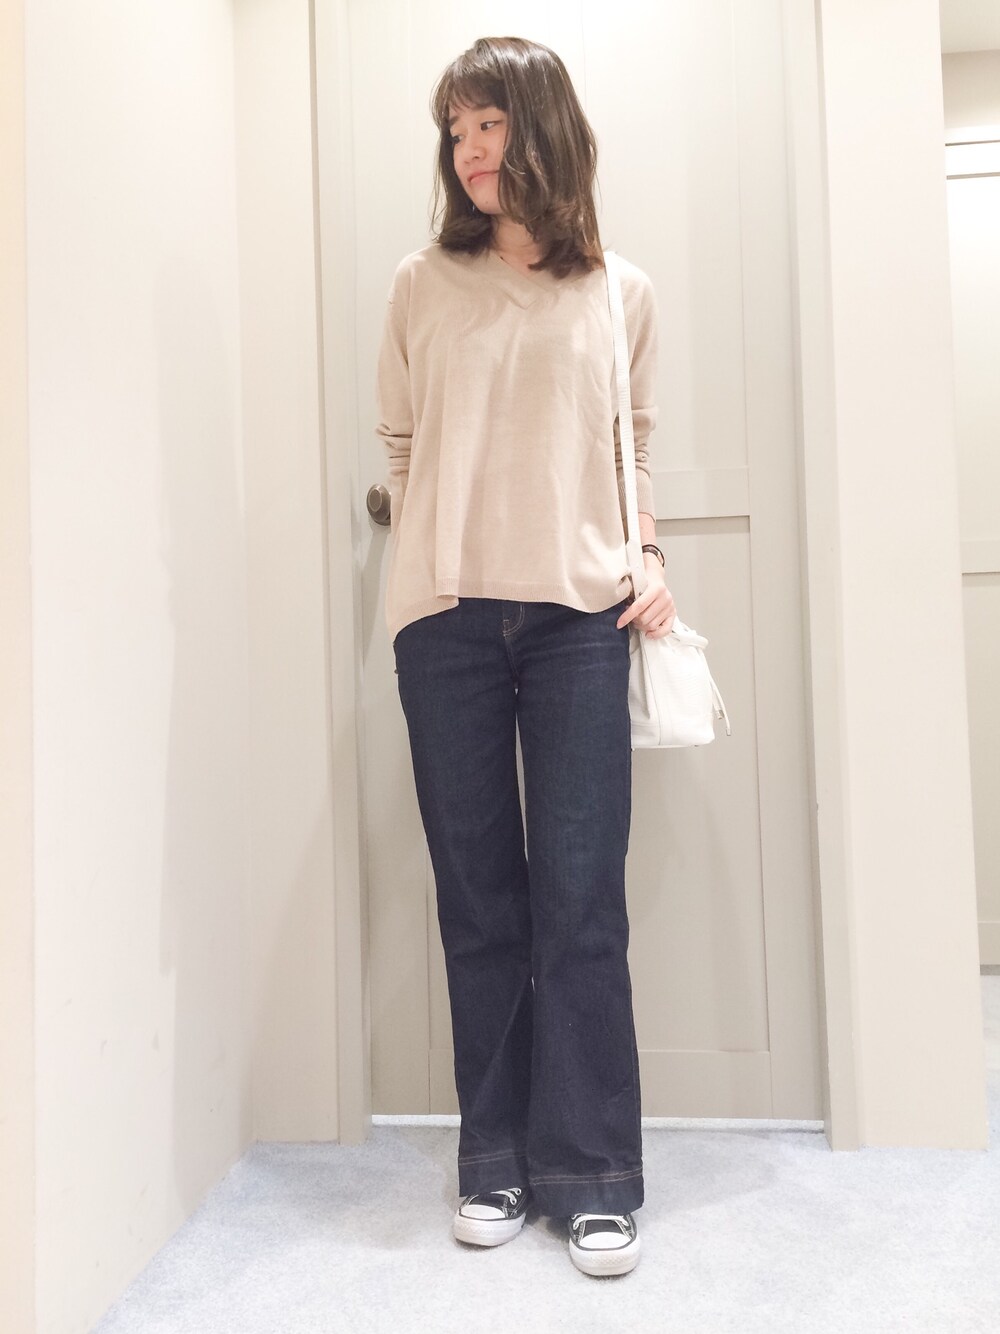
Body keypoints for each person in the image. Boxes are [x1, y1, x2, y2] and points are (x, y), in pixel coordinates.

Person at [375, 35, 675, 1277]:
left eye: (488, 122)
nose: (469, 150)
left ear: (541, 126)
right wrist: (428, 564)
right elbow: (401, 443)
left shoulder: (619, 292)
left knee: (580, 900)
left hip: (578, 622)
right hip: (446, 621)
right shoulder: (420, 283)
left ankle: (593, 1172)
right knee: (479, 899)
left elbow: (632, 443)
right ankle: (492, 1156)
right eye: (455, 130)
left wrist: (646, 554)